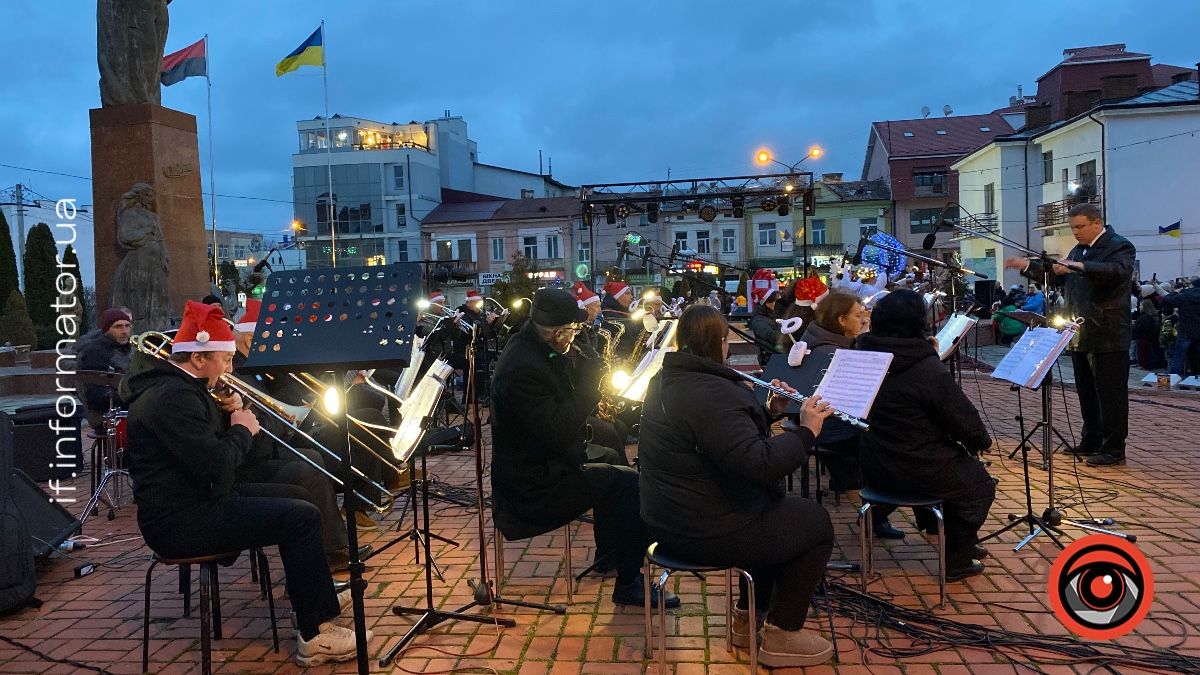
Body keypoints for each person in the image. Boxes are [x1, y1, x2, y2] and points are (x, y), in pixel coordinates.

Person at [121, 301, 368, 666]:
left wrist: (227, 417)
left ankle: (311, 600)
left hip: (199, 499)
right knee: (299, 517)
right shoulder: (173, 399)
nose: (230, 368)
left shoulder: (184, 390)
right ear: (199, 359)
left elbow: (207, 457)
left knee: (302, 497)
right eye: (225, 359)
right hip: (181, 519)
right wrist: (240, 429)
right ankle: (315, 635)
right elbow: (217, 465)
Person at [638, 304, 837, 667]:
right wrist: (807, 431)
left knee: (773, 514)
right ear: (721, 342)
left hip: (666, 518)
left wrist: (768, 409)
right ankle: (782, 635)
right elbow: (759, 464)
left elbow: (724, 442)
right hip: (702, 528)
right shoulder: (715, 393)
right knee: (815, 523)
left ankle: (746, 622)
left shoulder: (667, 381)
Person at [490, 288, 677, 608]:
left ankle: (613, 552)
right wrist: (591, 386)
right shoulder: (523, 368)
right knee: (629, 484)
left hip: (544, 460)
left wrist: (585, 359)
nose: (576, 336)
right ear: (556, 331)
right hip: (531, 486)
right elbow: (560, 428)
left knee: (612, 452)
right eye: (573, 331)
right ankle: (629, 583)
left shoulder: (537, 346)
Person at [856, 290, 994, 581]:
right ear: (918, 324)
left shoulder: (859, 357)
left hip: (873, 463)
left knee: (950, 468)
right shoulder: (925, 367)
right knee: (978, 484)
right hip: (917, 467)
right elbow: (966, 424)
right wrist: (980, 443)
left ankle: (946, 532)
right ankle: (957, 559)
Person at [229, 300, 371, 571]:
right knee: (310, 464)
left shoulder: (260, 367)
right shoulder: (238, 372)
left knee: (332, 446)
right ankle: (333, 550)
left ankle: (343, 533)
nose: (280, 345)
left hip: (276, 442)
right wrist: (291, 409)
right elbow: (265, 424)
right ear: (250, 339)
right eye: (276, 338)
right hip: (251, 457)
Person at [1004, 203, 1136, 467]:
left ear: (1097, 223)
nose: (1075, 232)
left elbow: (1115, 272)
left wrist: (1077, 265)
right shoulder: (1079, 251)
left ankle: (1113, 449)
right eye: (1073, 227)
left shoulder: (1120, 246)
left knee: (1110, 394)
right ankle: (1091, 439)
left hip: (1108, 332)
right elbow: (1057, 276)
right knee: (1086, 392)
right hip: (1079, 332)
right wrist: (1026, 266)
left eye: (1080, 226)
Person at [77, 307, 133, 427]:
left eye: (127, 326)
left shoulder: (131, 349)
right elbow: (94, 396)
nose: (124, 331)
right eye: (118, 327)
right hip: (105, 414)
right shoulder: (93, 352)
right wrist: (133, 394)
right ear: (107, 329)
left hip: (128, 407)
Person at [1162, 277, 1200, 376]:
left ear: (1192, 285)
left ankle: (1173, 380)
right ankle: (1195, 379)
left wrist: (1175, 292)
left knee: (1178, 358)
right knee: (1196, 358)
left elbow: (1167, 300)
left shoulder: (1184, 296)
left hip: (1185, 332)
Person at [750, 288, 783, 364]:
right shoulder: (758, 320)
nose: (777, 303)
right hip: (769, 358)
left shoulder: (772, 315)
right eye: (775, 301)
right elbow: (772, 337)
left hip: (776, 355)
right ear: (767, 303)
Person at [1131, 300, 1163, 370]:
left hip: (1144, 337)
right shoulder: (1146, 316)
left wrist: (1134, 326)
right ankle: (1141, 363)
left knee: (1143, 352)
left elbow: (1143, 328)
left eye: (1141, 305)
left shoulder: (1147, 317)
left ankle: (1144, 365)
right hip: (1144, 337)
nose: (1139, 307)